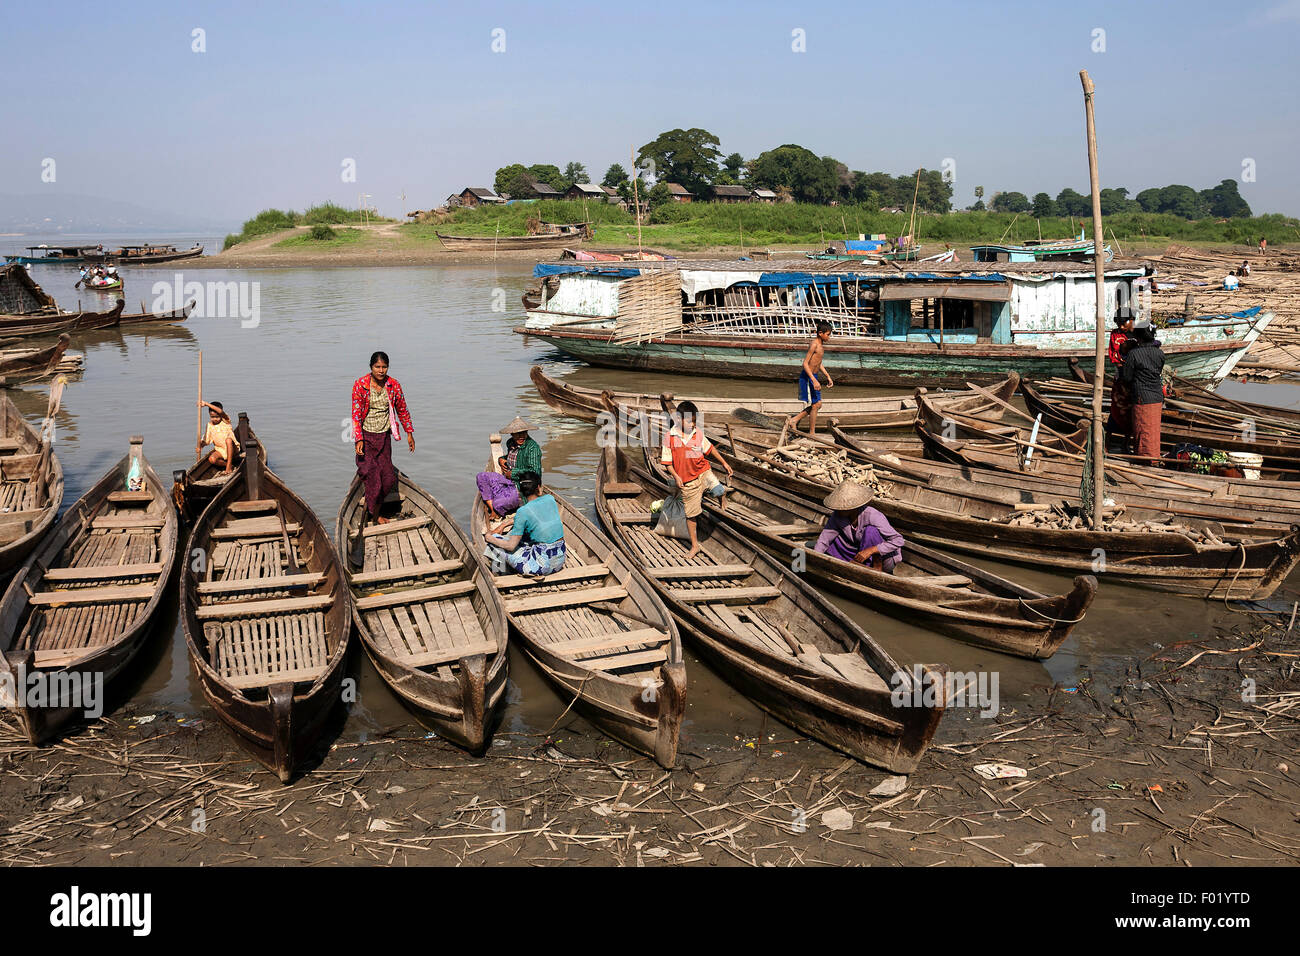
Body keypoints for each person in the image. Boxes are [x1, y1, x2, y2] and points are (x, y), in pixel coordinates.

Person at [660, 401, 734, 559]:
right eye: (689, 421)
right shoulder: (670, 437)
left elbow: (710, 449)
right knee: (691, 514)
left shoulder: (697, 433)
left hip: (703, 471)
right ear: (679, 419)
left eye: (694, 421)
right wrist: (677, 476)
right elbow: (667, 463)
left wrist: (724, 463)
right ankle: (695, 546)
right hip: (687, 480)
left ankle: (722, 497)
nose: (692, 424)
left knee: (719, 490)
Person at [351, 350, 414, 524]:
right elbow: (356, 415)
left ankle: (374, 510)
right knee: (373, 478)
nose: (381, 370)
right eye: (377, 367)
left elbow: (402, 409)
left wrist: (409, 433)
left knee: (388, 478)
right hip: (366, 437)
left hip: (384, 437)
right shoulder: (360, 385)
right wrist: (359, 439)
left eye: (384, 367)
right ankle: (375, 514)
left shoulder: (393, 385)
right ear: (371, 367)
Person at [483, 472, 566, 576]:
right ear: (539, 488)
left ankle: (502, 574)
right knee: (523, 538)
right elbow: (532, 516)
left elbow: (511, 546)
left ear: (520, 491)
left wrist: (489, 537)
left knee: (495, 541)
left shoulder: (522, 511)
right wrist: (504, 524)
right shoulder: (550, 499)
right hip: (559, 561)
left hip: (540, 567)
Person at [814, 481, 905, 571]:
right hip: (857, 555)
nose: (838, 509)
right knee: (833, 538)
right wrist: (816, 558)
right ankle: (854, 565)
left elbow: (898, 540)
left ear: (853, 507)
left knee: (871, 531)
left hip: (882, 559)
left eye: (842, 507)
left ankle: (874, 568)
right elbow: (824, 539)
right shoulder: (837, 515)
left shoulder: (872, 515)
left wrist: (871, 550)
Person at [476, 417, 541, 519]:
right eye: (517, 434)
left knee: (499, 503)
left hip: (521, 486)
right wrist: (501, 459)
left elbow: (535, 472)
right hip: (507, 481)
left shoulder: (533, 448)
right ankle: (493, 510)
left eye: (524, 433)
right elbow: (511, 457)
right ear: (512, 434)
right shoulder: (511, 443)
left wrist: (513, 473)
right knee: (481, 477)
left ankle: (497, 508)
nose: (521, 436)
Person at [1120, 319, 1165, 461]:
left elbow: (1127, 377)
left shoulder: (1134, 354)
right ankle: (1153, 458)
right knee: (1153, 430)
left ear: (1138, 337)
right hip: (1157, 396)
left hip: (1141, 396)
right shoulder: (1160, 354)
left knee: (1143, 429)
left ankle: (1145, 459)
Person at [786, 321, 834, 435]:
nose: (829, 337)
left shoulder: (821, 346)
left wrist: (828, 376)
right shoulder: (814, 345)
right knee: (817, 405)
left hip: (813, 376)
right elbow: (805, 364)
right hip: (808, 377)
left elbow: (818, 363)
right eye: (828, 334)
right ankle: (811, 433)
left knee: (816, 405)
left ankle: (795, 420)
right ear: (820, 333)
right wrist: (813, 379)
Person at [1105, 310, 1135, 452]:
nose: (1122, 327)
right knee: (1117, 407)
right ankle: (1107, 442)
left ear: (1131, 320)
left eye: (1124, 323)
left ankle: (1125, 444)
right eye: (1119, 324)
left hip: (1134, 377)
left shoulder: (1137, 335)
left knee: (1131, 411)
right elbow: (1113, 356)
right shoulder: (1115, 334)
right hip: (1121, 377)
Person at [196, 400, 239, 473]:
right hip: (220, 450)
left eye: (217, 417)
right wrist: (200, 446)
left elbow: (221, 412)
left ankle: (228, 467)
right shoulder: (209, 426)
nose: (215, 419)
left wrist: (206, 404)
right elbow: (207, 440)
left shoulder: (226, 421)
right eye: (212, 417)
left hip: (233, 449)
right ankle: (228, 465)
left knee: (228, 440)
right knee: (211, 459)